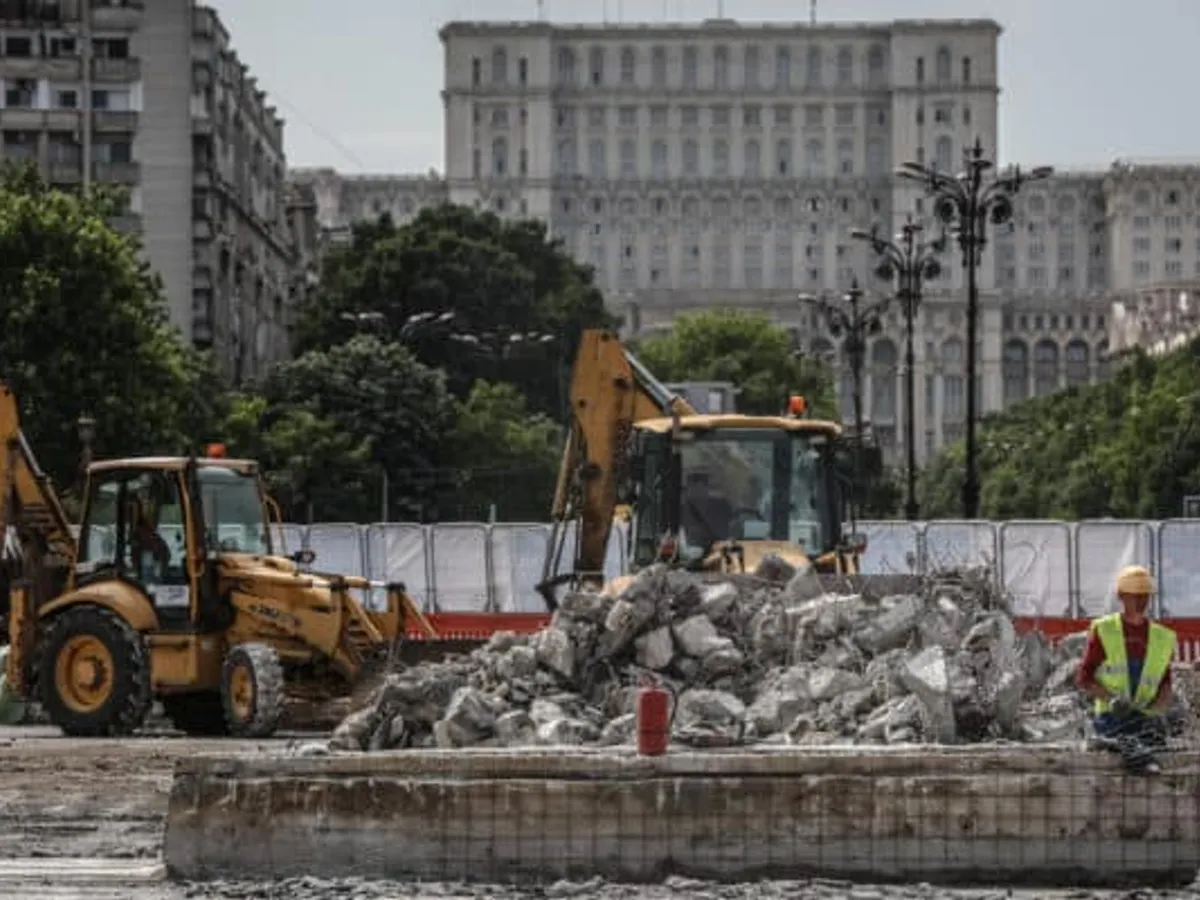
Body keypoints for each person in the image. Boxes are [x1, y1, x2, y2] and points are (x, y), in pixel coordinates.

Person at [1075, 564, 1177, 775]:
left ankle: (1139, 755)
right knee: (1124, 741)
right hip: (1111, 718)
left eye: (1145, 597)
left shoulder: (1162, 637)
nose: (1141, 602)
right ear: (1121, 596)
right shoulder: (1105, 629)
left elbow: (1165, 683)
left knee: (1151, 739)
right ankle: (1135, 756)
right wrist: (1111, 699)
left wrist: (1158, 711)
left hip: (1144, 717)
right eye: (1135, 596)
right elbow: (1084, 677)